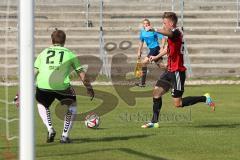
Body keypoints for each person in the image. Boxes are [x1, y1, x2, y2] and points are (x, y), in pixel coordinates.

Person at [141, 12, 215, 128]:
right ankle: (154, 122)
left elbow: (169, 33)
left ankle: (205, 98)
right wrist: (155, 57)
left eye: (164, 23)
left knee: (178, 103)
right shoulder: (173, 35)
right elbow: (167, 49)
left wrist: (154, 29)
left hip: (177, 72)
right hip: (169, 71)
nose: (163, 25)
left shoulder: (176, 32)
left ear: (171, 23)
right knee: (156, 94)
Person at [34, 29, 94, 142]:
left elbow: (34, 72)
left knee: (42, 103)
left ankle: (50, 128)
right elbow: (82, 75)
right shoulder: (70, 54)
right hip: (62, 87)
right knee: (72, 105)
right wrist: (89, 88)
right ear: (64, 41)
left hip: (43, 85)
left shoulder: (43, 53)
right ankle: (65, 136)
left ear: (51, 40)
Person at [136, 18, 166, 87]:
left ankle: (142, 83)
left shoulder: (153, 30)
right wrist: (139, 52)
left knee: (144, 62)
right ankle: (172, 74)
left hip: (155, 48)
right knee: (161, 66)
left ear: (149, 24)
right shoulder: (142, 32)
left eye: (147, 23)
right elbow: (141, 42)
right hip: (152, 49)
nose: (146, 25)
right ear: (143, 25)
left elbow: (163, 37)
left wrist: (162, 47)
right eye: (144, 24)